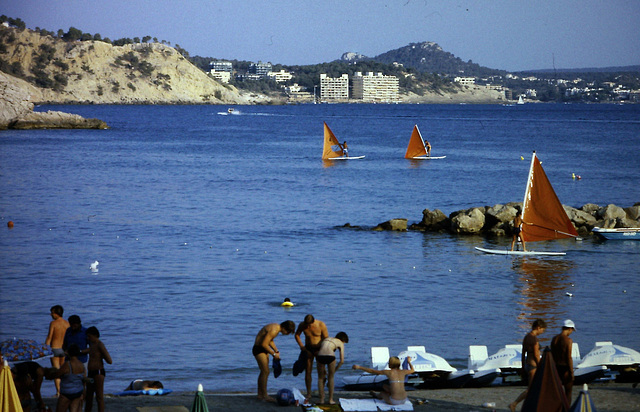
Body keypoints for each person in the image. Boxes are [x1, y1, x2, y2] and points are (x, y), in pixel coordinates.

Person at [509, 318, 547, 412]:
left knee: (533, 389)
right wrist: (541, 366)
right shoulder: (534, 339)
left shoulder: (526, 337)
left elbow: (523, 352)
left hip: (527, 364)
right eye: (542, 330)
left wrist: (522, 367)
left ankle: (529, 407)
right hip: (534, 365)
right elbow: (536, 354)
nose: (542, 332)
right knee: (532, 389)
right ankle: (514, 404)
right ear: (538, 327)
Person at [253, 320, 296, 402]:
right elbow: (264, 344)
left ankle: (260, 394)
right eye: (288, 332)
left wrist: (276, 350)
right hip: (259, 349)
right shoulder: (274, 330)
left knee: (263, 372)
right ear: (284, 328)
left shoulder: (276, 327)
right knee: (265, 372)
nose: (286, 334)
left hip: (264, 349)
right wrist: (273, 354)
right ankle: (265, 395)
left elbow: (270, 340)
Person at [295, 314, 329, 398]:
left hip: (319, 348)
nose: (308, 327)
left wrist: (320, 350)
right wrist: (302, 347)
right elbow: (297, 335)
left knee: (321, 371)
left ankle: (322, 391)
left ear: (313, 322)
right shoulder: (302, 325)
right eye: (307, 325)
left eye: (309, 325)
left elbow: (326, 338)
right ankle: (309, 393)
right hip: (308, 348)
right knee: (308, 371)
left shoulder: (321, 324)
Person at [45, 343, 86, 412]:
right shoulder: (81, 365)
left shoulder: (68, 364)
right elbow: (83, 380)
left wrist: (49, 375)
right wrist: (83, 393)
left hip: (66, 393)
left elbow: (58, 374)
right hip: (77, 392)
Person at [85, 326, 112, 412]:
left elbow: (109, 360)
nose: (88, 338)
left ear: (95, 335)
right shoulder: (92, 345)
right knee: (88, 396)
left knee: (99, 397)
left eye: (89, 336)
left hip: (98, 372)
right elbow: (86, 351)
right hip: (91, 372)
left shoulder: (100, 345)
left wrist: (101, 356)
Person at [316, 332, 348, 405]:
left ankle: (321, 399)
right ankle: (330, 399)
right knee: (331, 378)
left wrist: (324, 370)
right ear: (343, 340)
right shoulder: (340, 343)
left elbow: (320, 349)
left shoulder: (327, 339)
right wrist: (334, 370)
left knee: (320, 378)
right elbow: (342, 361)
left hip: (320, 356)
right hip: (330, 356)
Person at [45, 304, 70, 396]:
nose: (51, 315)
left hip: (55, 348)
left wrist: (45, 348)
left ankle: (59, 392)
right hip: (64, 349)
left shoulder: (53, 323)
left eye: (52, 313)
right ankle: (65, 389)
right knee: (63, 370)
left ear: (56, 314)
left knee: (56, 371)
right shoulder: (67, 323)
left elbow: (49, 337)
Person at [551, 319, 576, 400]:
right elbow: (568, 357)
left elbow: (552, 354)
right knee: (568, 392)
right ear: (570, 329)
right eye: (572, 330)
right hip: (565, 367)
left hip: (556, 367)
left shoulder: (554, 339)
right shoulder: (568, 340)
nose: (571, 332)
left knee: (557, 392)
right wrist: (571, 372)